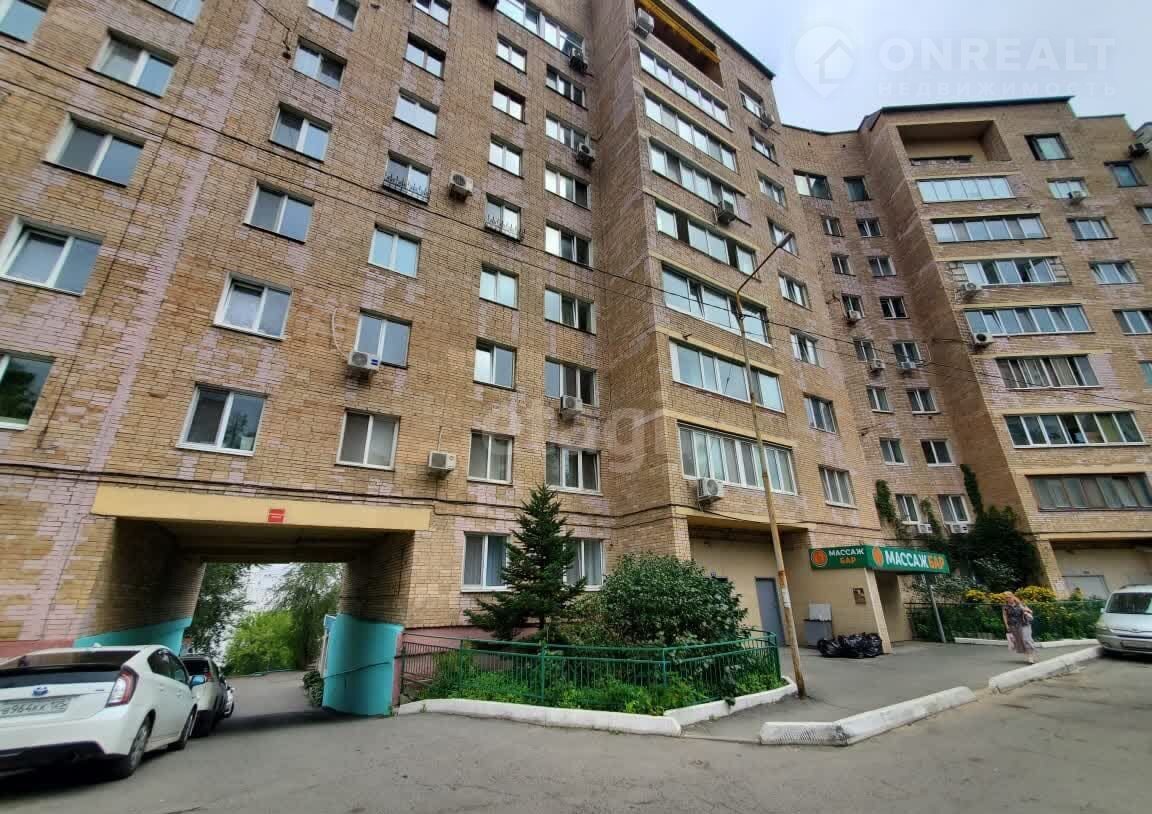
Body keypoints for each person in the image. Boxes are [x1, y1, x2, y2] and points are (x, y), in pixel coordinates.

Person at [1002, 592, 1036, 664]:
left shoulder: (1020, 604)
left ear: (1013, 596)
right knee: (1020, 641)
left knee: (1026, 639)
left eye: (1009, 597)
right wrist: (1007, 626)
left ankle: (1031, 656)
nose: (1008, 599)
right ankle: (1029, 655)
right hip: (1013, 625)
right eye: (1006, 598)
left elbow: (1030, 611)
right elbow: (1005, 616)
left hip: (1024, 624)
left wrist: (1025, 610)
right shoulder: (1005, 607)